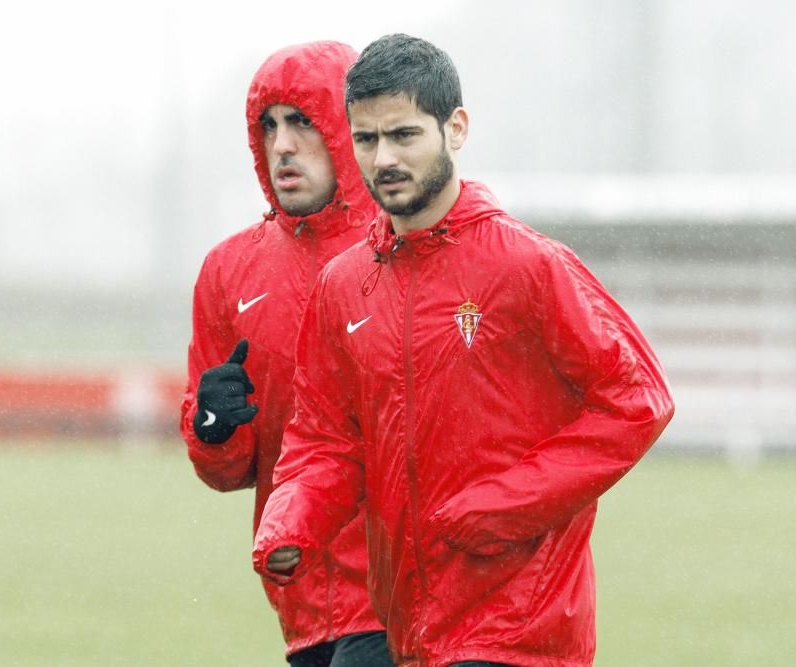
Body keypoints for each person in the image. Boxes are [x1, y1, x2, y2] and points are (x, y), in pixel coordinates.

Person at [253, 34, 675, 667]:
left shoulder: (528, 264)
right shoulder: (343, 286)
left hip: (521, 625)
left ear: (455, 129)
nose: (383, 158)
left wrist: (505, 506)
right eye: (366, 140)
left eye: (403, 135)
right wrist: (293, 521)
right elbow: (324, 438)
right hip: (410, 625)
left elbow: (638, 401)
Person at [181, 41, 394, 666]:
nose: (282, 145)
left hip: (401, 599)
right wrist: (212, 427)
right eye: (267, 126)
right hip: (300, 601)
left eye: (302, 121)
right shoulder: (230, 271)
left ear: (346, 128)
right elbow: (227, 473)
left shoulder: (406, 249)